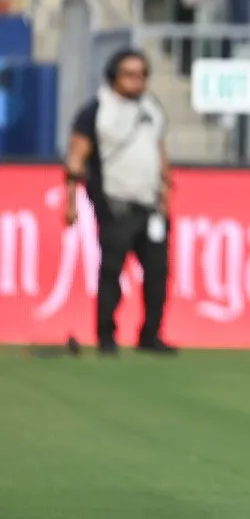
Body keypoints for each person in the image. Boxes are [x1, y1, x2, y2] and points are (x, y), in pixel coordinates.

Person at [64, 48, 177, 356]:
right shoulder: (97, 110)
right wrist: (71, 201)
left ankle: (151, 334)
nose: (137, 81)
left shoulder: (151, 108)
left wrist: (165, 195)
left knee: (158, 273)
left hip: (150, 205)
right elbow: (77, 156)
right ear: (114, 76)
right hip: (116, 205)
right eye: (129, 74)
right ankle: (106, 336)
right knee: (112, 272)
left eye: (142, 75)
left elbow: (159, 152)